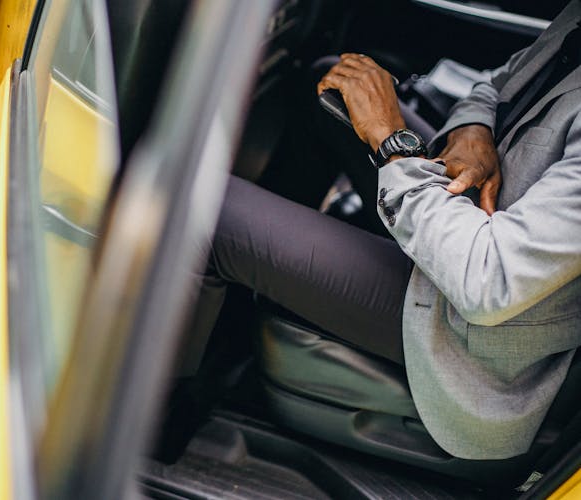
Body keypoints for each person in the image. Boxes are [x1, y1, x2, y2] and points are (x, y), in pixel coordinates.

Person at [182, 0, 581, 460]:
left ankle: (157, 423)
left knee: (205, 214)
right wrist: (474, 127)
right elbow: (495, 84)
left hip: (464, 324)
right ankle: (233, 311)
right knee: (331, 86)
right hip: (461, 221)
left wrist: (392, 143)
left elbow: (489, 282)